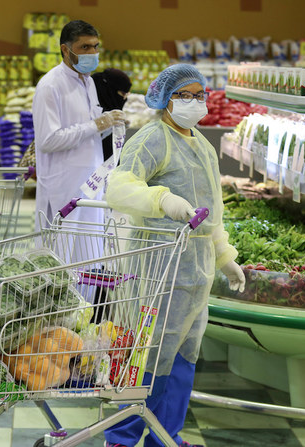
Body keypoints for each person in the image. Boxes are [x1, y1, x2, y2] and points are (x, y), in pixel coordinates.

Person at [103, 64, 246, 447]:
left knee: (184, 357)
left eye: (201, 95)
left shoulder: (202, 144)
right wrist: (161, 199)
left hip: (195, 274)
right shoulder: (152, 139)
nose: (196, 102)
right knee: (145, 356)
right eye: (187, 95)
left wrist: (223, 255)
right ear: (166, 99)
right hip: (158, 267)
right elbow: (117, 188)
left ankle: (166, 437)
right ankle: (120, 437)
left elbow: (210, 210)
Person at [32, 20, 125, 231]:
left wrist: (110, 125)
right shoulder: (50, 85)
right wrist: (96, 125)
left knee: (90, 250)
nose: (92, 52)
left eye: (95, 46)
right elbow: (49, 140)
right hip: (63, 185)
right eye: (85, 47)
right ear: (65, 50)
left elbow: (88, 131)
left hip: (91, 182)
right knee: (62, 254)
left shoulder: (88, 81)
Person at [92, 68, 132, 161]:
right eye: (122, 94)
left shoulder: (109, 111)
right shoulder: (91, 113)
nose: (124, 98)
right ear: (109, 91)